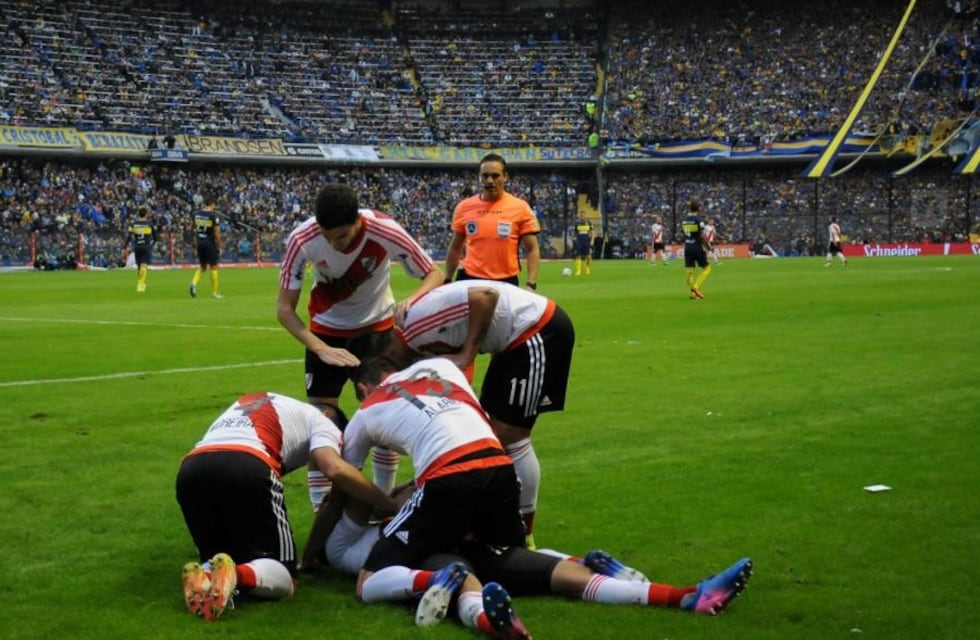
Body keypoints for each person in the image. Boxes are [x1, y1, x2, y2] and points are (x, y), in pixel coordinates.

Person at [340, 355, 532, 638]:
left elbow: (343, 479)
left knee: (367, 582)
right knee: (506, 558)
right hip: (500, 466)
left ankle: (437, 578)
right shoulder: (442, 368)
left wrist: (386, 504)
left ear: (363, 389)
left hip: (447, 477)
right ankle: (589, 569)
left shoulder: (366, 411)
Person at [277, 182, 444, 495]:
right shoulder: (302, 239)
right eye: (327, 237)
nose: (334, 244)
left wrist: (412, 300)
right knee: (322, 422)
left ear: (357, 221)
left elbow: (434, 273)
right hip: (325, 332)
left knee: (385, 413)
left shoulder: (384, 230)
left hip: (376, 331)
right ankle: (321, 508)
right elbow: (285, 310)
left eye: (341, 236)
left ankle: (382, 500)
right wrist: (320, 348)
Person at [175, 391, 398, 622]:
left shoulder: (258, 401)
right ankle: (236, 575)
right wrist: (388, 503)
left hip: (191, 470)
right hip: (248, 464)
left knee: (221, 554)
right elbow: (333, 467)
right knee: (287, 580)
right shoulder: (324, 421)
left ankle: (207, 576)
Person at [390, 280, 575, 548]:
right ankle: (488, 523)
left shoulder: (418, 329)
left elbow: (486, 296)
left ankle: (524, 535)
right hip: (509, 343)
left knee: (512, 436)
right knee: (487, 432)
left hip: (535, 330)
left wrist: (467, 353)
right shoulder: (414, 344)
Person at [444, 153, 541, 291]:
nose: (490, 181)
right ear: (480, 177)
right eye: (485, 176)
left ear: (505, 177)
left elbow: (532, 249)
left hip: (506, 281)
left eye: (495, 176)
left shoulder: (521, 208)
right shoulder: (464, 207)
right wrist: (447, 278)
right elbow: (455, 248)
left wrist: (531, 283)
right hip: (470, 279)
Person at [190, 196, 222, 299]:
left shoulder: (196, 214)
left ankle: (193, 283)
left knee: (203, 266)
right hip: (209, 243)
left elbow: (191, 228)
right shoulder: (214, 216)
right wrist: (220, 246)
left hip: (199, 242)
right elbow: (217, 233)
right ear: (212, 204)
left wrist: (192, 241)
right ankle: (214, 293)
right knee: (213, 267)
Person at [681, 200, 712, 300]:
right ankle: (696, 287)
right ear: (698, 209)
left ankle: (693, 294)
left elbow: (685, 233)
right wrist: (707, 246)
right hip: (697, 247)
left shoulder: (684, 220)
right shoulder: (699, 220)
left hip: (687, 246)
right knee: (707, 268)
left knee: (690, 271)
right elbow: (702, 235)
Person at [129, 206, 156, 293]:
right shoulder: (149, 224)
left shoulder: (134, 224)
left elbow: (129, 236)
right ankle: (141, 284)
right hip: (146, 247)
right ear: (146, 214)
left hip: (137, 247)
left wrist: (124, 247)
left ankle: (140, 283)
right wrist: (151, 244)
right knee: (144, 266)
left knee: (139, 267)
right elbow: (155, 237)